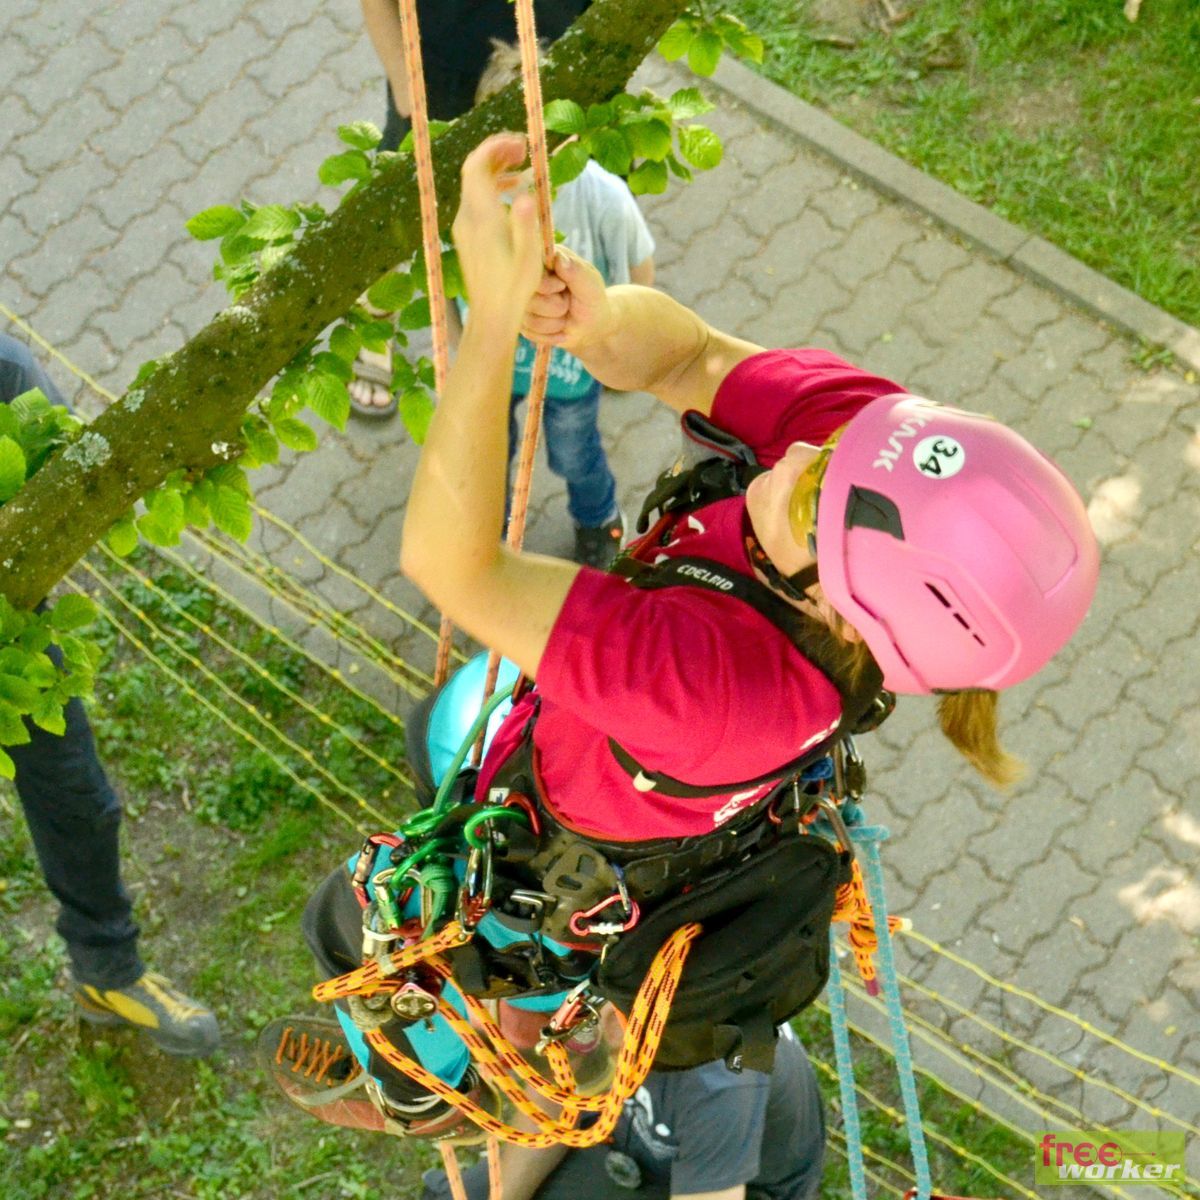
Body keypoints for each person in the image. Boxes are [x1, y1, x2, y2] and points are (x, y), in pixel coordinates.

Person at [265, 134, 1098, 1145]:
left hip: (580, 835)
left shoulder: (717, 688)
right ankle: (500, 1036)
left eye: (821, 490)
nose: (801, 454)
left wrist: (492, 322)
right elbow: (694, 355)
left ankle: (426, 1086)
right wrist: (596, 318)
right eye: (833, 451)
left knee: (372, 921)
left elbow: (456, 564)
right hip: (589, 738)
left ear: (843, 610)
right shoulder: (867, 445)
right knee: (480, 823)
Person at [0, 333, 219, 1057]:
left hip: (13, 644)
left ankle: (107, 973)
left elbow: (70, 494)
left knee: (79, 803)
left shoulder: (7, 374)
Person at [351, 0, 592, 419]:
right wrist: (406, 85)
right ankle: (377, 320)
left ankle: (585, 319)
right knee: (398, 210)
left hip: (553, 58)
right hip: (438, 73)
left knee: (552, 197)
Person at [467, 39, 657, 567]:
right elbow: (453, 273)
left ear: (566, 138)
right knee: (489, 452)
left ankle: (598, 517)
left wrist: (621, 342)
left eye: (535, 146)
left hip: (571, 368)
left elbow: (641, 268)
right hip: (499, 362)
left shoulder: (602, 195)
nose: (518, 166)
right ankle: (492, 528)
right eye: (501, 149)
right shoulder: (476, 201)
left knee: (574, 453)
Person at [419, 1023, 825, 1200]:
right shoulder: (591, 1002)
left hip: (725, 1187)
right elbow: (555, 1101)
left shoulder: (723, 1081)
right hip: (621, 1136)